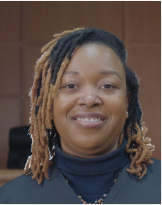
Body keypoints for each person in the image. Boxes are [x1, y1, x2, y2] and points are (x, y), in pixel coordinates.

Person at [0, 28, 160, 204]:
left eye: (107, 85)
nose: (89, 100)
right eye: (70, 85)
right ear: (49, 103)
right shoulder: (11, 198)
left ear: (127, 101)